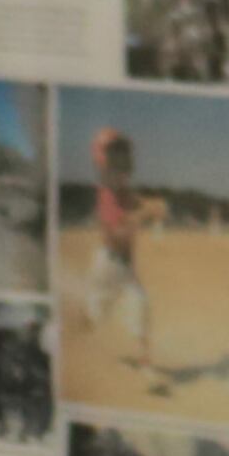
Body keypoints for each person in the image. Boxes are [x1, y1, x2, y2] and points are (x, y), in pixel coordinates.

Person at [81, 127, 156, 377]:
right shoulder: (107, 194)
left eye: (123, 156)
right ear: (103, 162)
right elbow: (115, 235)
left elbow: (139, 204)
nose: (122, 163)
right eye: (115, 156)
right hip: (108, 267)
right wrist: (142, 216)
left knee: (141, 304)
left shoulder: (123, 192)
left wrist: (147, 207)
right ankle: (77, 332)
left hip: (125, 267)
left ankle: (145, 364)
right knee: (95, 316)